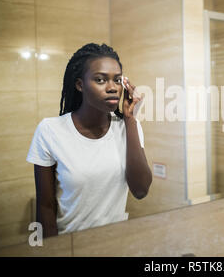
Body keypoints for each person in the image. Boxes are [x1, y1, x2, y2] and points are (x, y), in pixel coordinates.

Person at [26, 43, 152, 238]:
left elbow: (141, 190)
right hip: (69, 245)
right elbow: (45, 206)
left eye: (117, 80)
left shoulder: (128, 127)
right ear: (80, 85)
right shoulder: (50, 131)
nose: (112, 88)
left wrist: (130, 119)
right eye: (100, 80)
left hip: (116, 243)